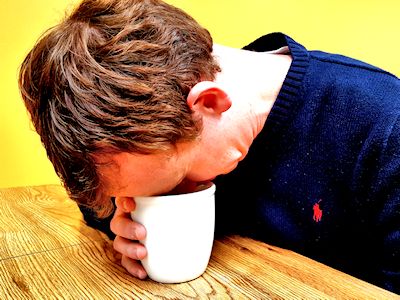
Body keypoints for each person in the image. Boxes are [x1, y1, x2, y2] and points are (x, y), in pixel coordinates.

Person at [18, 0, 399, 293]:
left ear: (210, 103)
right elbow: (97, 202)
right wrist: (120, 220)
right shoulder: (157, 137)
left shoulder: (384, 127)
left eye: (175, 185)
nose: (175, 197)